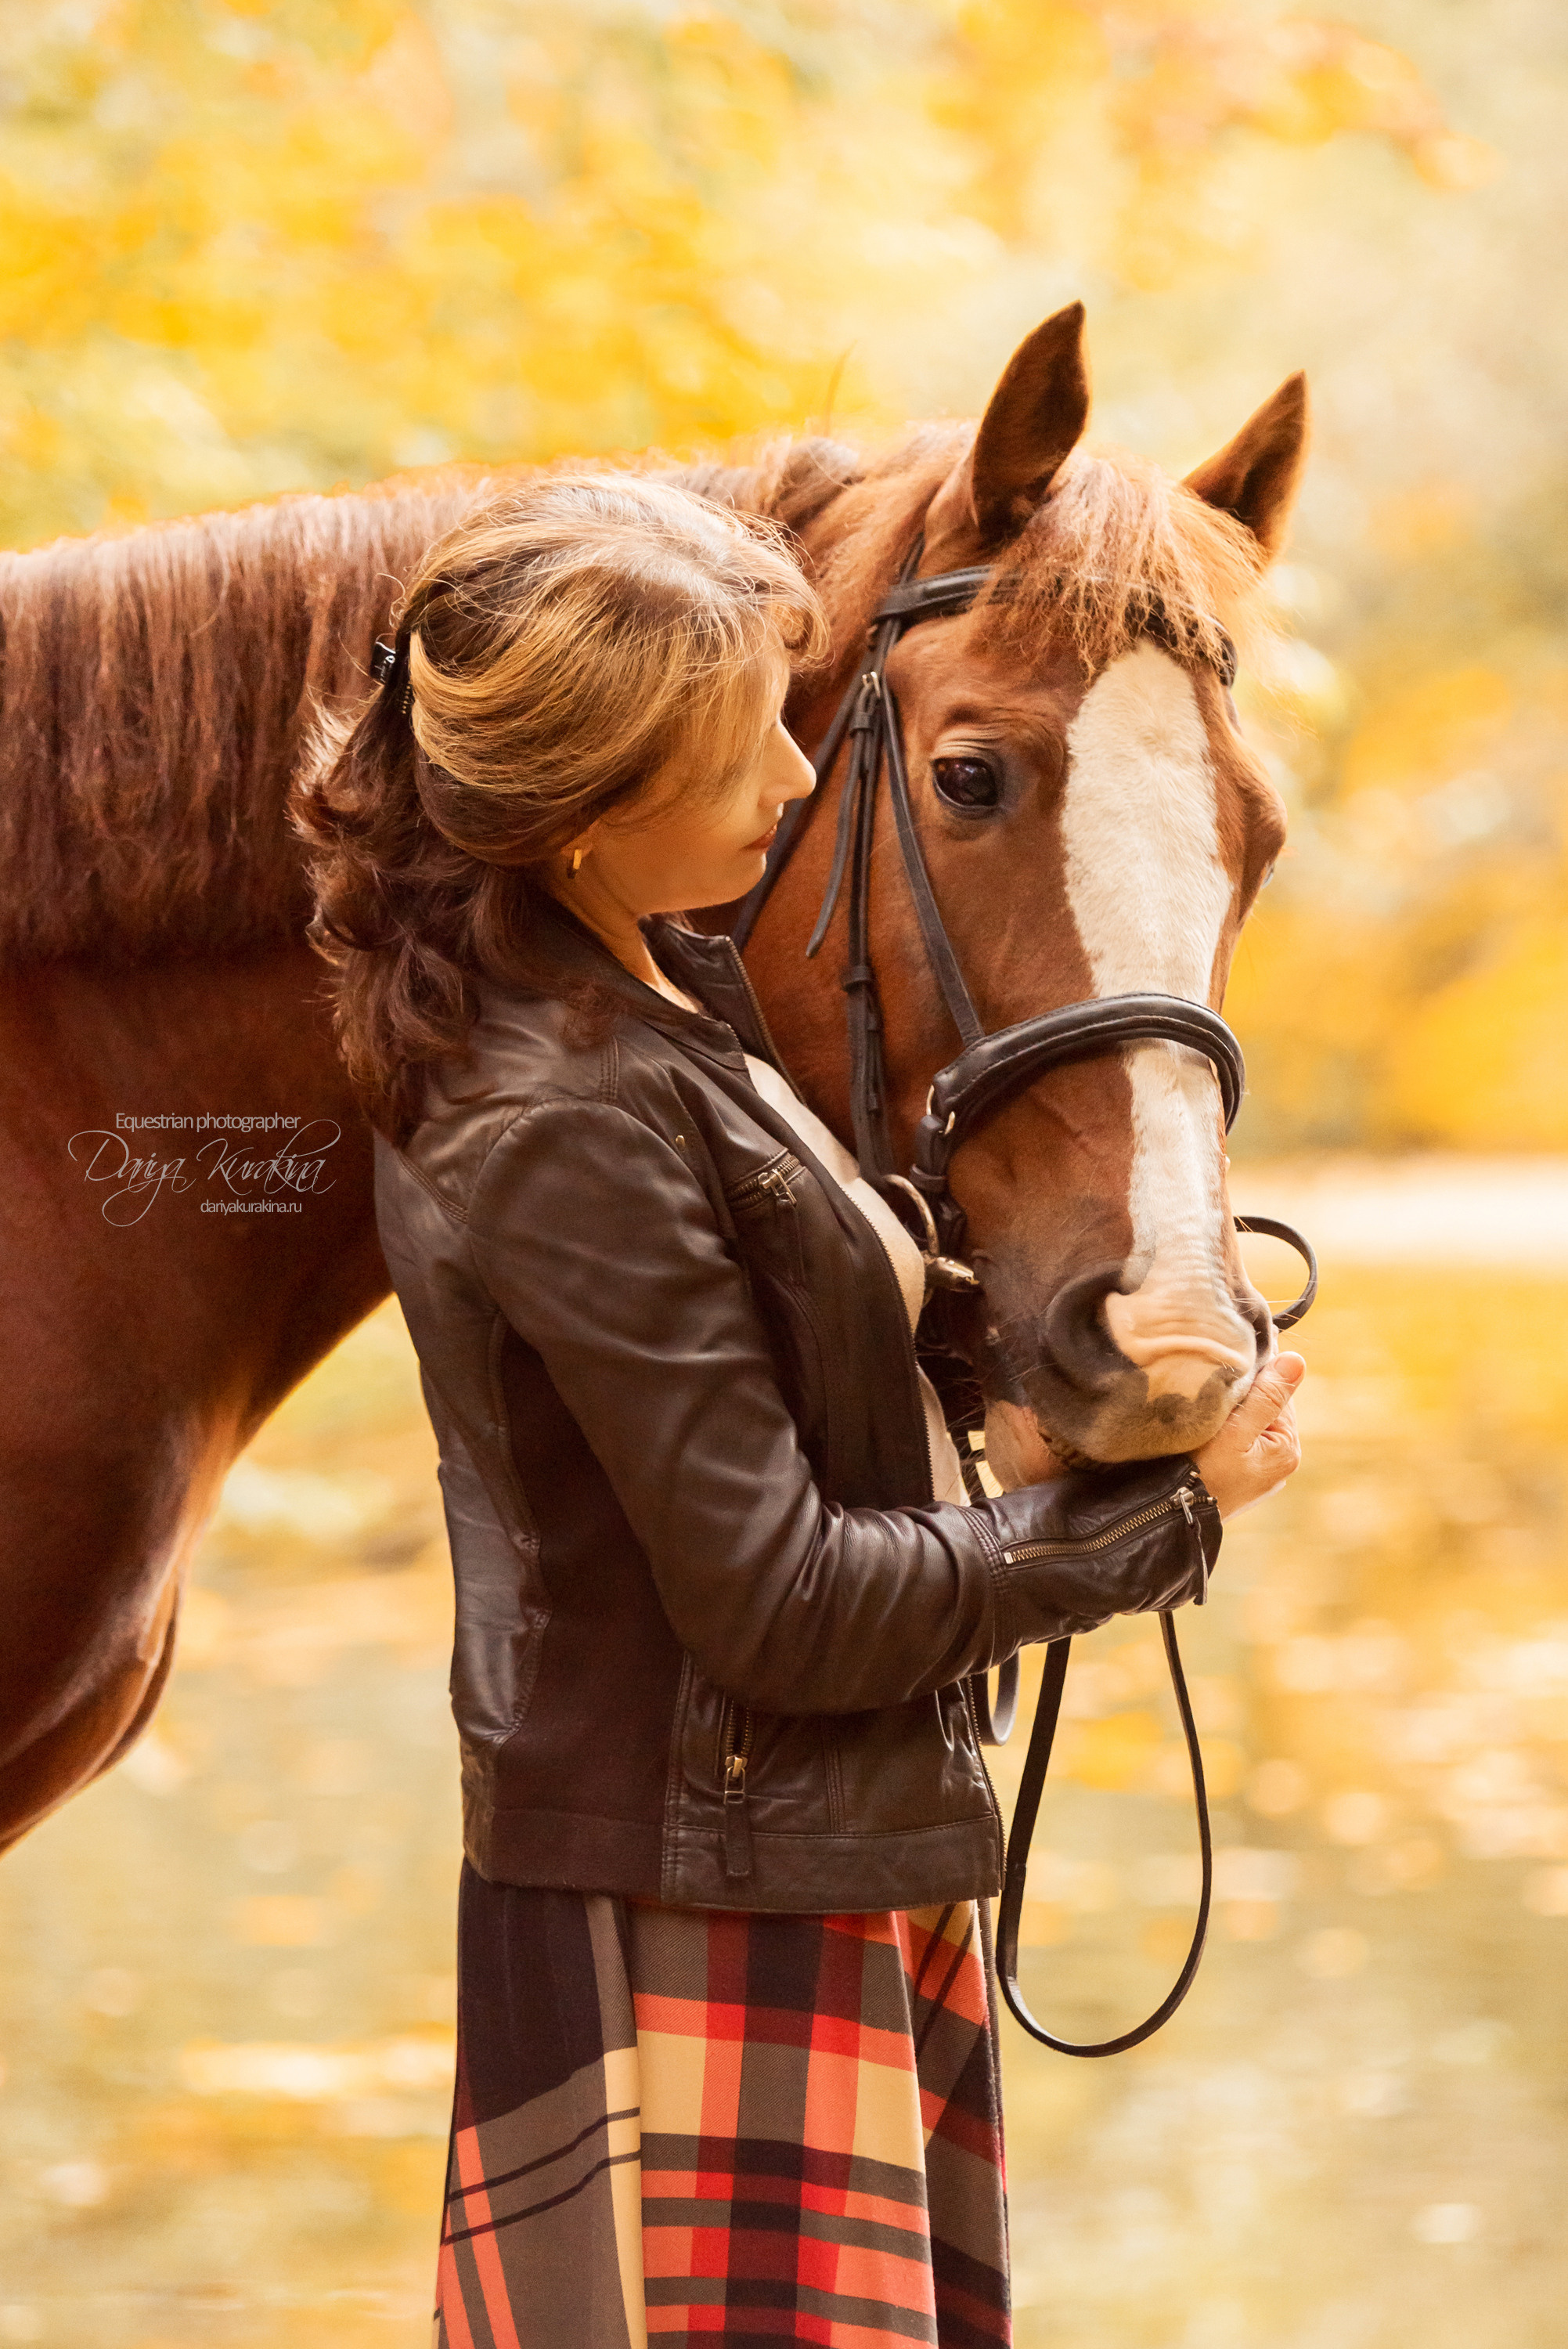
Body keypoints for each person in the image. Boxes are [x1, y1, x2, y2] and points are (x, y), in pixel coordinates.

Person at [295, 471, 1303, 2349]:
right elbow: (779, 1605)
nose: (791, 769)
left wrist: (998, 1419)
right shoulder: (558, 1110)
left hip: (789, 1855)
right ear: (590, 812)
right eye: (738, 743)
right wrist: (1151, 1530)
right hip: (697, 1906)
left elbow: (784, 1359)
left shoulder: (663, 1009)